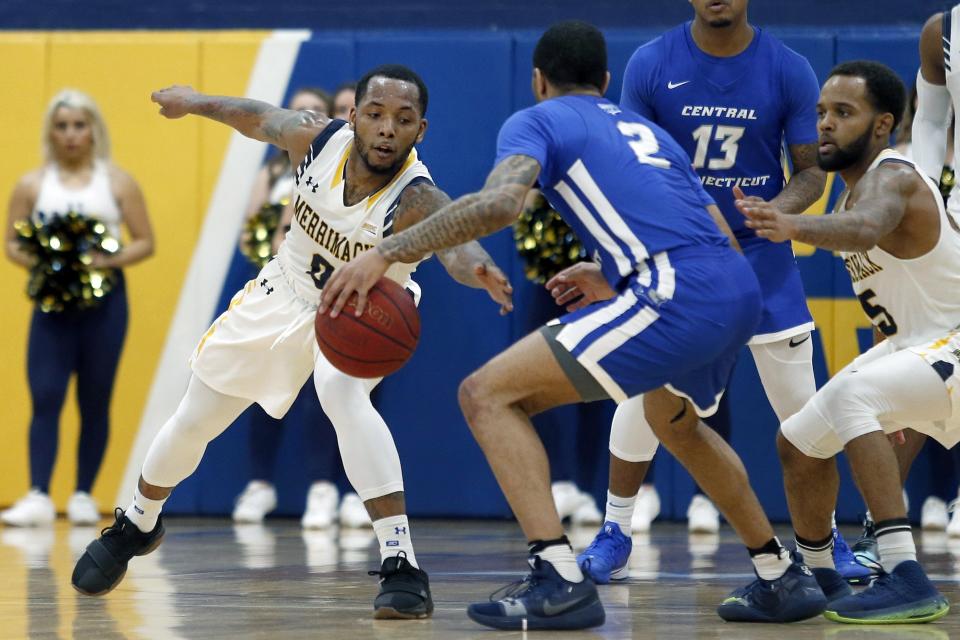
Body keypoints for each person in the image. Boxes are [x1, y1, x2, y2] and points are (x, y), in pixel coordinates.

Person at [322, 21, 835, 629]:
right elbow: (706, 227)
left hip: (675, 291)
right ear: (608, 81)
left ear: (539, 80)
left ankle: (558, 578)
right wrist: (614, 272)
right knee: (675, 423)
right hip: (736, 286)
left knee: (486, 395)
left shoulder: (537, 120)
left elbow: (496, 205)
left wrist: (383, 252)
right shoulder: (646, 130)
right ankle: (780, 575)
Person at [70, 64, 513, 619]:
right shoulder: (317, 138)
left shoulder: (416, 196)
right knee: (196, 416)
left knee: (343, 396)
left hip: (359, 313)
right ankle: (136, 522)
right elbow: (256, 118)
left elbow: (455, 240)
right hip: (283, 290)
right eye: (374, 114)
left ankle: (401, 562)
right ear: (353, 116)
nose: (385, 129)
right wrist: (194, 99)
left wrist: (482, 269)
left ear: (420, 131)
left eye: (403, 120)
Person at [567, 0, 874, 585]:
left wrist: (774, 213)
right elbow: (627, 159)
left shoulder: (788, 68)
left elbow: (810, 172)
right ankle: (615, 530)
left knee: (803, 410)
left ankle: (824, 539)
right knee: (643, 393)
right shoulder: (652, 63)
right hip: (680, 253)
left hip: (761, 254)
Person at [737, 60, 958, 624]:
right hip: (922, 347)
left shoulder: (894, 177)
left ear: (882, 125)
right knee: (798, 441)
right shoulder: (849, 194)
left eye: (843, 113)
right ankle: (819, 576)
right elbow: (898, 307)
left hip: (952, 343)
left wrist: (791, 226)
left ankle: (905, 577)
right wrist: (896, 381)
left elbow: (865, 229)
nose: (825, 125)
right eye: (820, 114)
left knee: (854, 396)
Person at [3, 89, 155, 526]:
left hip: (105, 302)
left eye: (79, 125)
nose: (70, 135)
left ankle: (85, 493)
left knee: (95, 396)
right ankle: (37, 494)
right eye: (62, 125)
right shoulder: (32, 184)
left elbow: (145, 240)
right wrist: (46, 264)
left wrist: (105, 260)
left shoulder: (117, 182)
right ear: (51, 132)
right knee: (46, 393)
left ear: (93, 130)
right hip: (52, 303)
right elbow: (11, 242)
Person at [230, 86, 363, 530]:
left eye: (317, 112)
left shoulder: (341, 166)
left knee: (332, 396)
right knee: (262, 387)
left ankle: (329, 489)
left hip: (340, 298)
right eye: (298, 111)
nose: (306, 118)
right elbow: (251, 229)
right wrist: (276, 249)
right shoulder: (272, 168)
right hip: (282, 291)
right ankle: (259, 483)